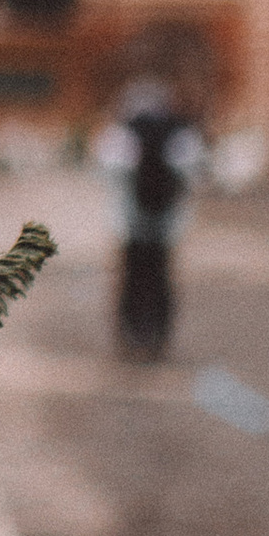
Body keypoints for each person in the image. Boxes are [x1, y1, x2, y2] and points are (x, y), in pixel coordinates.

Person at [95, 74, 204, 359]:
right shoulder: (180, 134)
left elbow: (107, 171)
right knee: (161, 278)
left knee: (132, 278)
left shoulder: (121, 134)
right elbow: (193, 174)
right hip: (167, 224)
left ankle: (132, 333)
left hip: (129, 222)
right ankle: (158, 334)